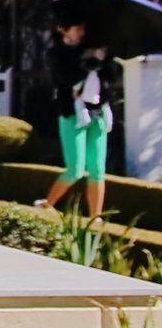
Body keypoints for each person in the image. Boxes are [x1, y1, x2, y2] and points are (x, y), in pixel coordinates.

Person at [43, 12, 111, 219]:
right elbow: (69, 79)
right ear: (62, 30)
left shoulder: (91, 48)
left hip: (98, 112)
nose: (81, 33)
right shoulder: (55, 53)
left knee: (98, 169)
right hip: (72, 114)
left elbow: (111, 75)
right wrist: (91, 62)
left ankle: (95, 217)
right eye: (77, 28)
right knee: (75, 169)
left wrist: (101, 59)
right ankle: (47, 205)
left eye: (83, 28)